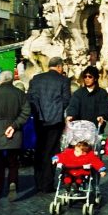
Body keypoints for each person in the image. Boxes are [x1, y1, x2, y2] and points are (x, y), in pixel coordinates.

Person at [0, 70, 31, 201]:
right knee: (13, 161)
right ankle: (12, 183)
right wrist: (14, 126)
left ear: (0, 80)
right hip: (15, 130)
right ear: (12, 80)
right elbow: (26, 112)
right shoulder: (20, 94)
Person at [27, 56, 71, 193]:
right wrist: (56, 111)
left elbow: (31, 98)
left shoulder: (36, 79)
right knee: (52, 151)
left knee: (40, 149)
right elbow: (66, 100)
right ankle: (47, 184)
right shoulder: (63, 80)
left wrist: (40, 113)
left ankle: (38, 182)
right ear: (59, 66)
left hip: (39, 120)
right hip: (55, 120)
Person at [66, 66, 108, 130]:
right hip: (80, 129)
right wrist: (71, 115)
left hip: (96, 128)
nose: (87, 79)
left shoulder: (102, 93)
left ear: (95, 78)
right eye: (85, 76)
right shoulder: (78, 93)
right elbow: (73, 106)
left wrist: (102, 116)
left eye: (90, 77)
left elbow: (106, 107)